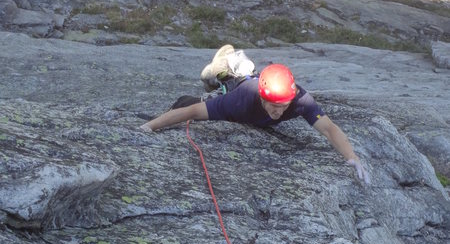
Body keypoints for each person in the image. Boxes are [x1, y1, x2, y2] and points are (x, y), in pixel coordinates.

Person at [140, 45, 370, 184]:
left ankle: (239, 64)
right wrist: (150, 126)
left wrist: (352, 156)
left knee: (248, 75)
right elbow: (191, 112)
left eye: (284, 105)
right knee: (225, 82)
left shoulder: (300, 99)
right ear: (262, 98)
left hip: (255, 83)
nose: (278, 111)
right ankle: (226, 63)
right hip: (241, 87)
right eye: (273, 105)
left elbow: (329, 129)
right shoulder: (241, 100)